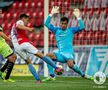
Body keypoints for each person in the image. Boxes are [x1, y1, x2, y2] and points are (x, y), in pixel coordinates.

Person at [43, 6, 93, 82]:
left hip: (68, 54)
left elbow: (82, 27)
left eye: (65, 24)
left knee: (70, 65)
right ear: (60, 23)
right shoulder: (56, 30)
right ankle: (52, 76)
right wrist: (51, 13)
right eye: (62, 23)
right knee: (47, 56)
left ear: (67, 24)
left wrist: (78, 17)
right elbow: (46, 23)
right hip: (60, 54)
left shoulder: (71, 30)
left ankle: (83, 75)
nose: (63, 25)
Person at [11, 13, 63, 83]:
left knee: (28, 62)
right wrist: (28, 28)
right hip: (23, 43)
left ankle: (38, 80)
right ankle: (56, 68)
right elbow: (18, 25)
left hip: (17, 48)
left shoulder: (13, 29)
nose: (27, 22)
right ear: (23, 18)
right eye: (27, 20)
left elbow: (14, 36)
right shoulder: (20, 22)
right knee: (41, 55)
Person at [0, 9, 17, 82]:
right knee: (13, 58)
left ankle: (1, 71)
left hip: (2, 42)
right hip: (1, 44)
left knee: (13, 57)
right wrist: (9, 39)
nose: (1, 12)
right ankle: (6, 78)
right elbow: (0, 33)